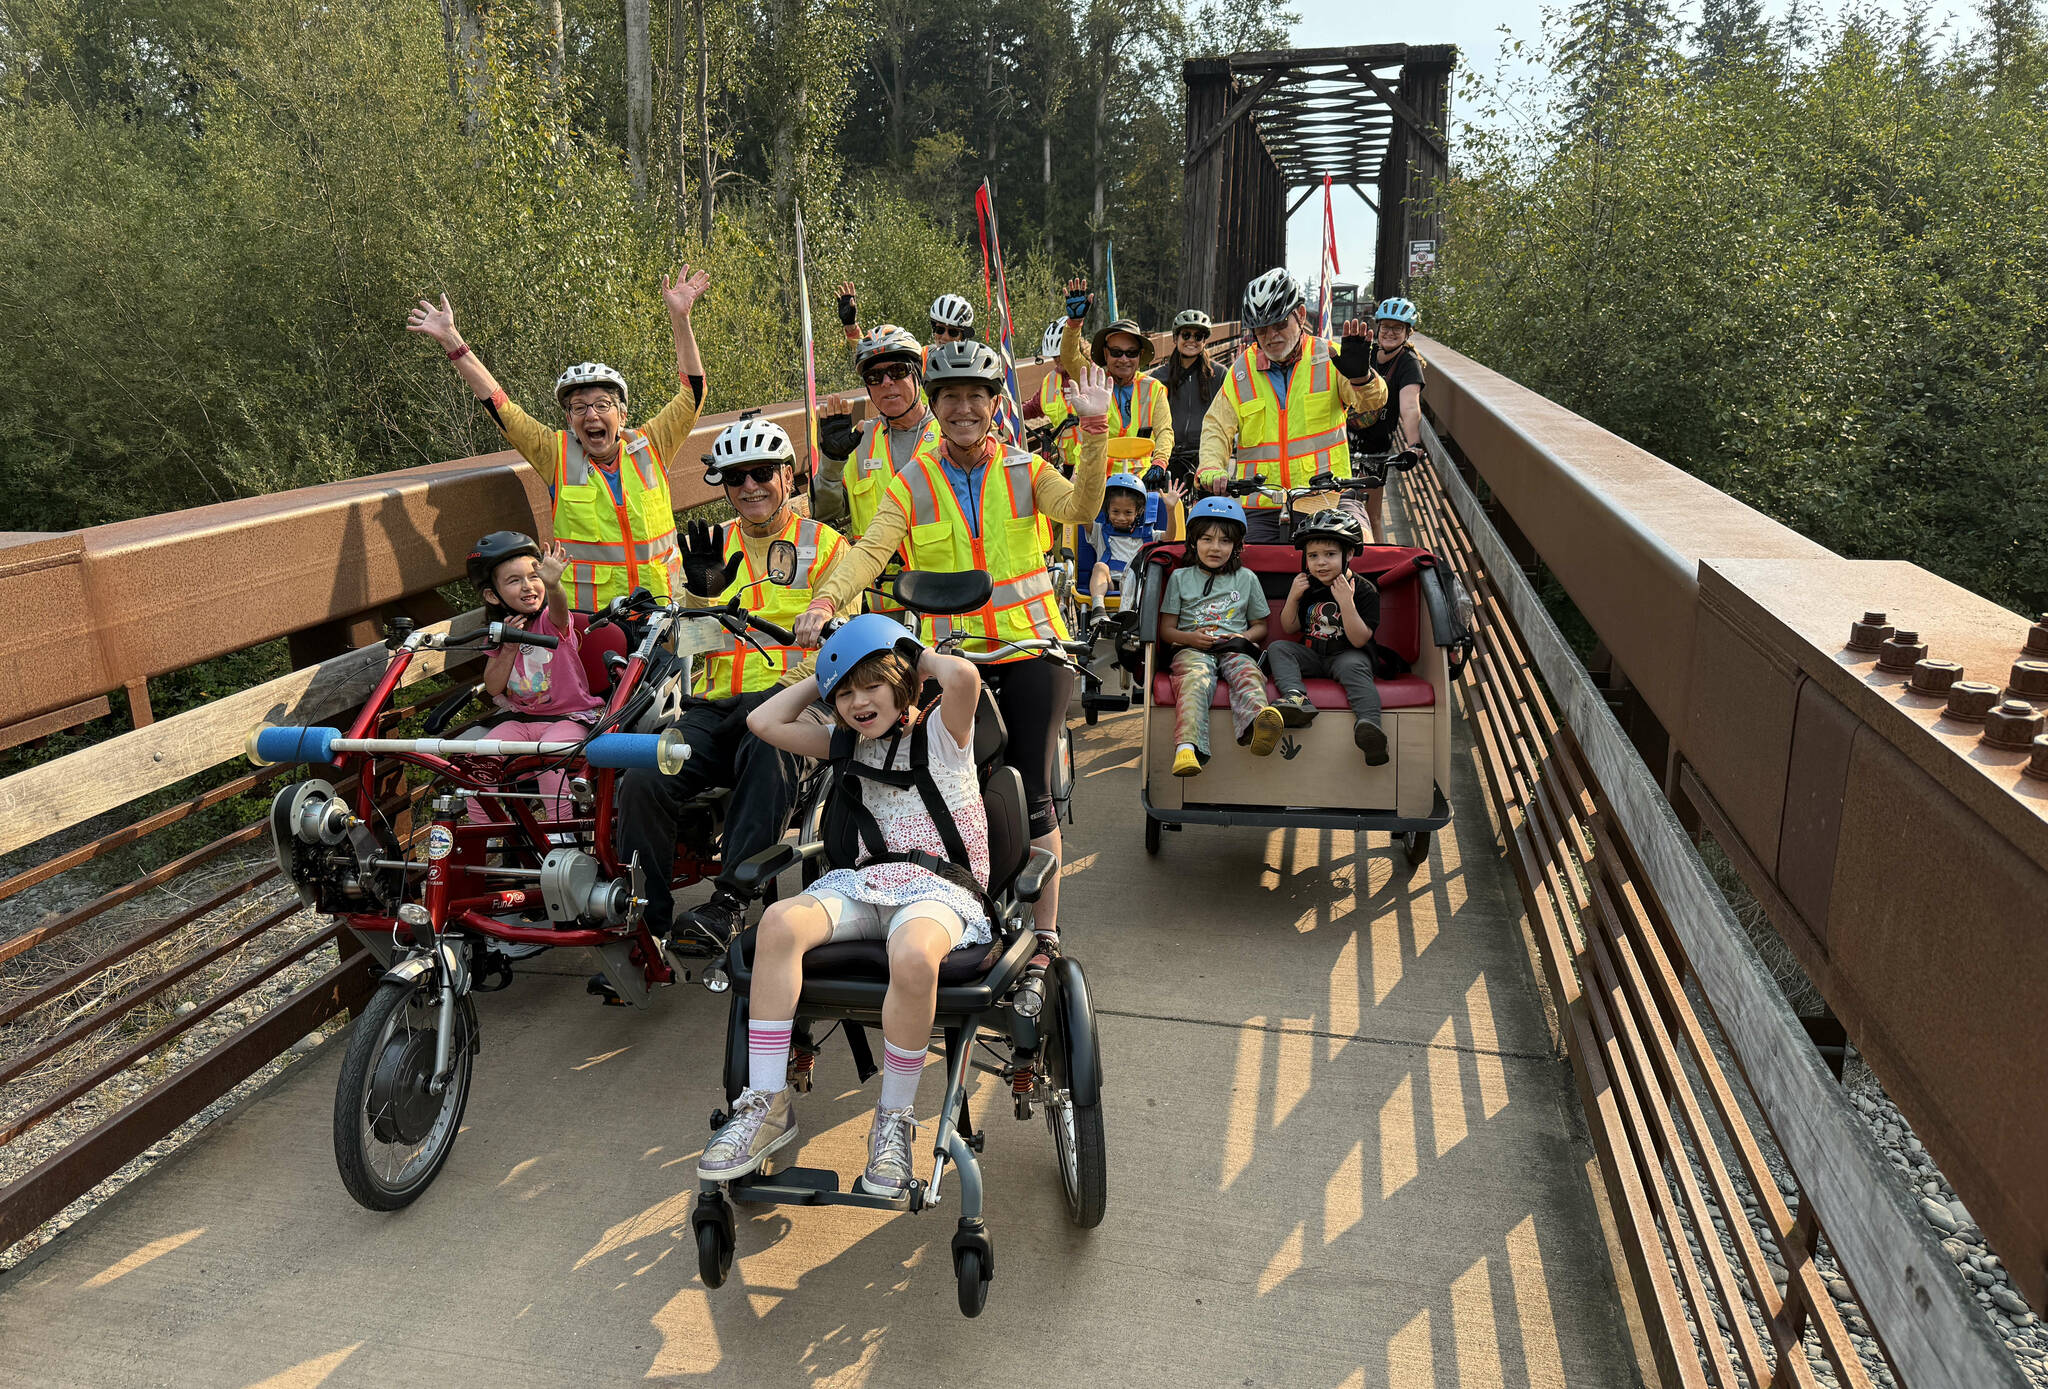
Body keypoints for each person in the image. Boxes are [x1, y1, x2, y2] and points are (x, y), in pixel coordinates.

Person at [794, 344, 1116, 946]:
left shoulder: (1026, 468)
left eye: (976, 396)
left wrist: (1094, 431)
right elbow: (869, 550)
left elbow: (1082, 506)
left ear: (995, 404)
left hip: (1029, 650)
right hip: (949, 660)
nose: (963, 408)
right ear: (934, 405)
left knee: (1033, 787)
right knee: (935, 779)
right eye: (950, 397)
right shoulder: (911, 480)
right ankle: (952, 902)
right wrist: (825, 600)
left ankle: (1045, 935)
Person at [699, 617, 988, 1195]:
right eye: (845, 693)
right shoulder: (843, 744)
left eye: (870, 686)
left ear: (901, 680)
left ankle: (893, 1122)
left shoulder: (943, 736)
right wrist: (825, 668)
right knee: (777, 923)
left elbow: (964, 677)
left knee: (911, 955)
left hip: (939, 887)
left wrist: (907, 651)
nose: (857, 703)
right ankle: (766, 1102)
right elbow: (763, 721)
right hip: (862, 884)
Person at [615, 418, 848, 949]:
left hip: (794, 706)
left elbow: (840, 647)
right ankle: (645, 920)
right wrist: (699, 595)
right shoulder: (709, 546)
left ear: (788, 476)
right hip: (713, 708)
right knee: (643, 772)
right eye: (735, 477)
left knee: (769, 750)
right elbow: (689, 646)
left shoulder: (827, 546)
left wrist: (778, 697)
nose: (749, 487)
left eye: (762, 472)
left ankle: (728, 906)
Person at [406, 268, 711, 609]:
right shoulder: (556, 455)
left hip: (664, 613)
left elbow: (693, 396)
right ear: (568, 419)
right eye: (578, 408)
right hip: (594, 623)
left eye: (602, 405)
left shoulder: (651, 445)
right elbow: (501, 408)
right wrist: (452, 341)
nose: (591, 416)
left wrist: (680, 318)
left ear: (622, 414)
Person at [1195, 267, 1388, 545]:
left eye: (1279, 324)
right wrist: (1211, 466)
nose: (1271, 336)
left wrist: (1362, 377)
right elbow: (1216, 425)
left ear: (1299, 314)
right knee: (1237, 565)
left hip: (1328, 496)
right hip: (1261, 504)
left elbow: (1374, 402)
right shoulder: (1241, 371)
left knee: (1360, 554)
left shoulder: (1329, 357)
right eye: (1261, 329)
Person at [462, 531, 604, 824]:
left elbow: (561, 609)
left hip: (569, 718)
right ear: (492, 595)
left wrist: (553, 584)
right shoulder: (500, 633)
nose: (528, 586)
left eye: (534, 576)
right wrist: (509, 648)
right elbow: (493, 686)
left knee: (551, 760)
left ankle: (560, 835)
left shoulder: (551, 622)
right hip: (523, 720)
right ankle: (489, 831)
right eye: (514, 581)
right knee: (478, 763)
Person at [1158, 496, 1282, 776]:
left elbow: (1261, 625)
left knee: (1248, 672)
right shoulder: (1180, 578)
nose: (1215, 547)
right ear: (1193, 542)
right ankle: (1186, 748)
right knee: (1195, 680)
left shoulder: (1247, 578)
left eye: (1225, 541)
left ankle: (1258, 725)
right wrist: (1191, 639)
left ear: (1236, 546)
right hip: (1191, 650)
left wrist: (1243, 636)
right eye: (1207, 539)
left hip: (1233, 647)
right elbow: (1167, 631)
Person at [1264, 509, 1389, 766]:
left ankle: (1369, 729)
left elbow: (1359, 640)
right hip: (1312, 653)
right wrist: (1293, 597)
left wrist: (1346, 602)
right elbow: (1289, 627)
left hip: (1347, 654)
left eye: (1330, 555)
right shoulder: (1309, 586)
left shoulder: (1364, 590)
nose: (1321, 563)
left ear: (1349, 554)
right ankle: (1296, 698)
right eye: (1313, 556)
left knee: (1354, 666)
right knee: (1279, 648)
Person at [812, 325, 941, 542]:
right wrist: (832, 462)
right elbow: (823, 514)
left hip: (941, 573)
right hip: (874, 574)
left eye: (898, 371)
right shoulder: (857, 441)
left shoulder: (948, 433)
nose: (887, 382)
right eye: (874, 377)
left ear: (917, 375)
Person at [1058, 278, 1172, 477]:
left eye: (1132, 353)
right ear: (1106, 353)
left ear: (1140, 355)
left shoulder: (1154, 389)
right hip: (1095, 479)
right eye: (1117, 352)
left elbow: (1164, 431)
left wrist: (1160, 463)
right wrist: (1074, 324)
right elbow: (1069, 356)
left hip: (1137, 483)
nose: (1124, 359)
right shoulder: (1093, 379)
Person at [1346, 298, 1429, 544]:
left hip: (1375, 449)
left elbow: (1410, 406)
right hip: (1343, 440)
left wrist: (1414, 444)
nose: (1390, 333)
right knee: (1335, 506)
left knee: (1372, 517)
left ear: (1407, 332)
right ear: (1378, 328)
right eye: (1386, 327)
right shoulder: (1366, 353)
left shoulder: (1408, 363)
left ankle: (1375, 567)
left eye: (1398, 328)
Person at [1076, 472, 1177, 636]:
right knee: (1100, 566)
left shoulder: (1148, 535)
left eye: (1128, 512)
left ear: (1138, 512)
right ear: (1106, 510)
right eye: (1115, 511)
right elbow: (1083, 516)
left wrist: (1170, 510)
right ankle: (1098, 610)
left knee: (1136, 574)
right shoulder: (1100, 530)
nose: (1121, 518)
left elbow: (1169, 538)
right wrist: (1082, 493)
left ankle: (1128, 620)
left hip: (1136, 585)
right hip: (1108, 583)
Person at [1152, 309, 1224, 491]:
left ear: (1204, 341)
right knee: (1170, 513)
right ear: (1175, 338)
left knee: (1206, 514)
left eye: (1198, 336)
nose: (1192, 340)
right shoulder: (1159, 377)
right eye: (1186, 335)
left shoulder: (1219, 375)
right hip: (1170, 456)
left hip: (1205, 458)